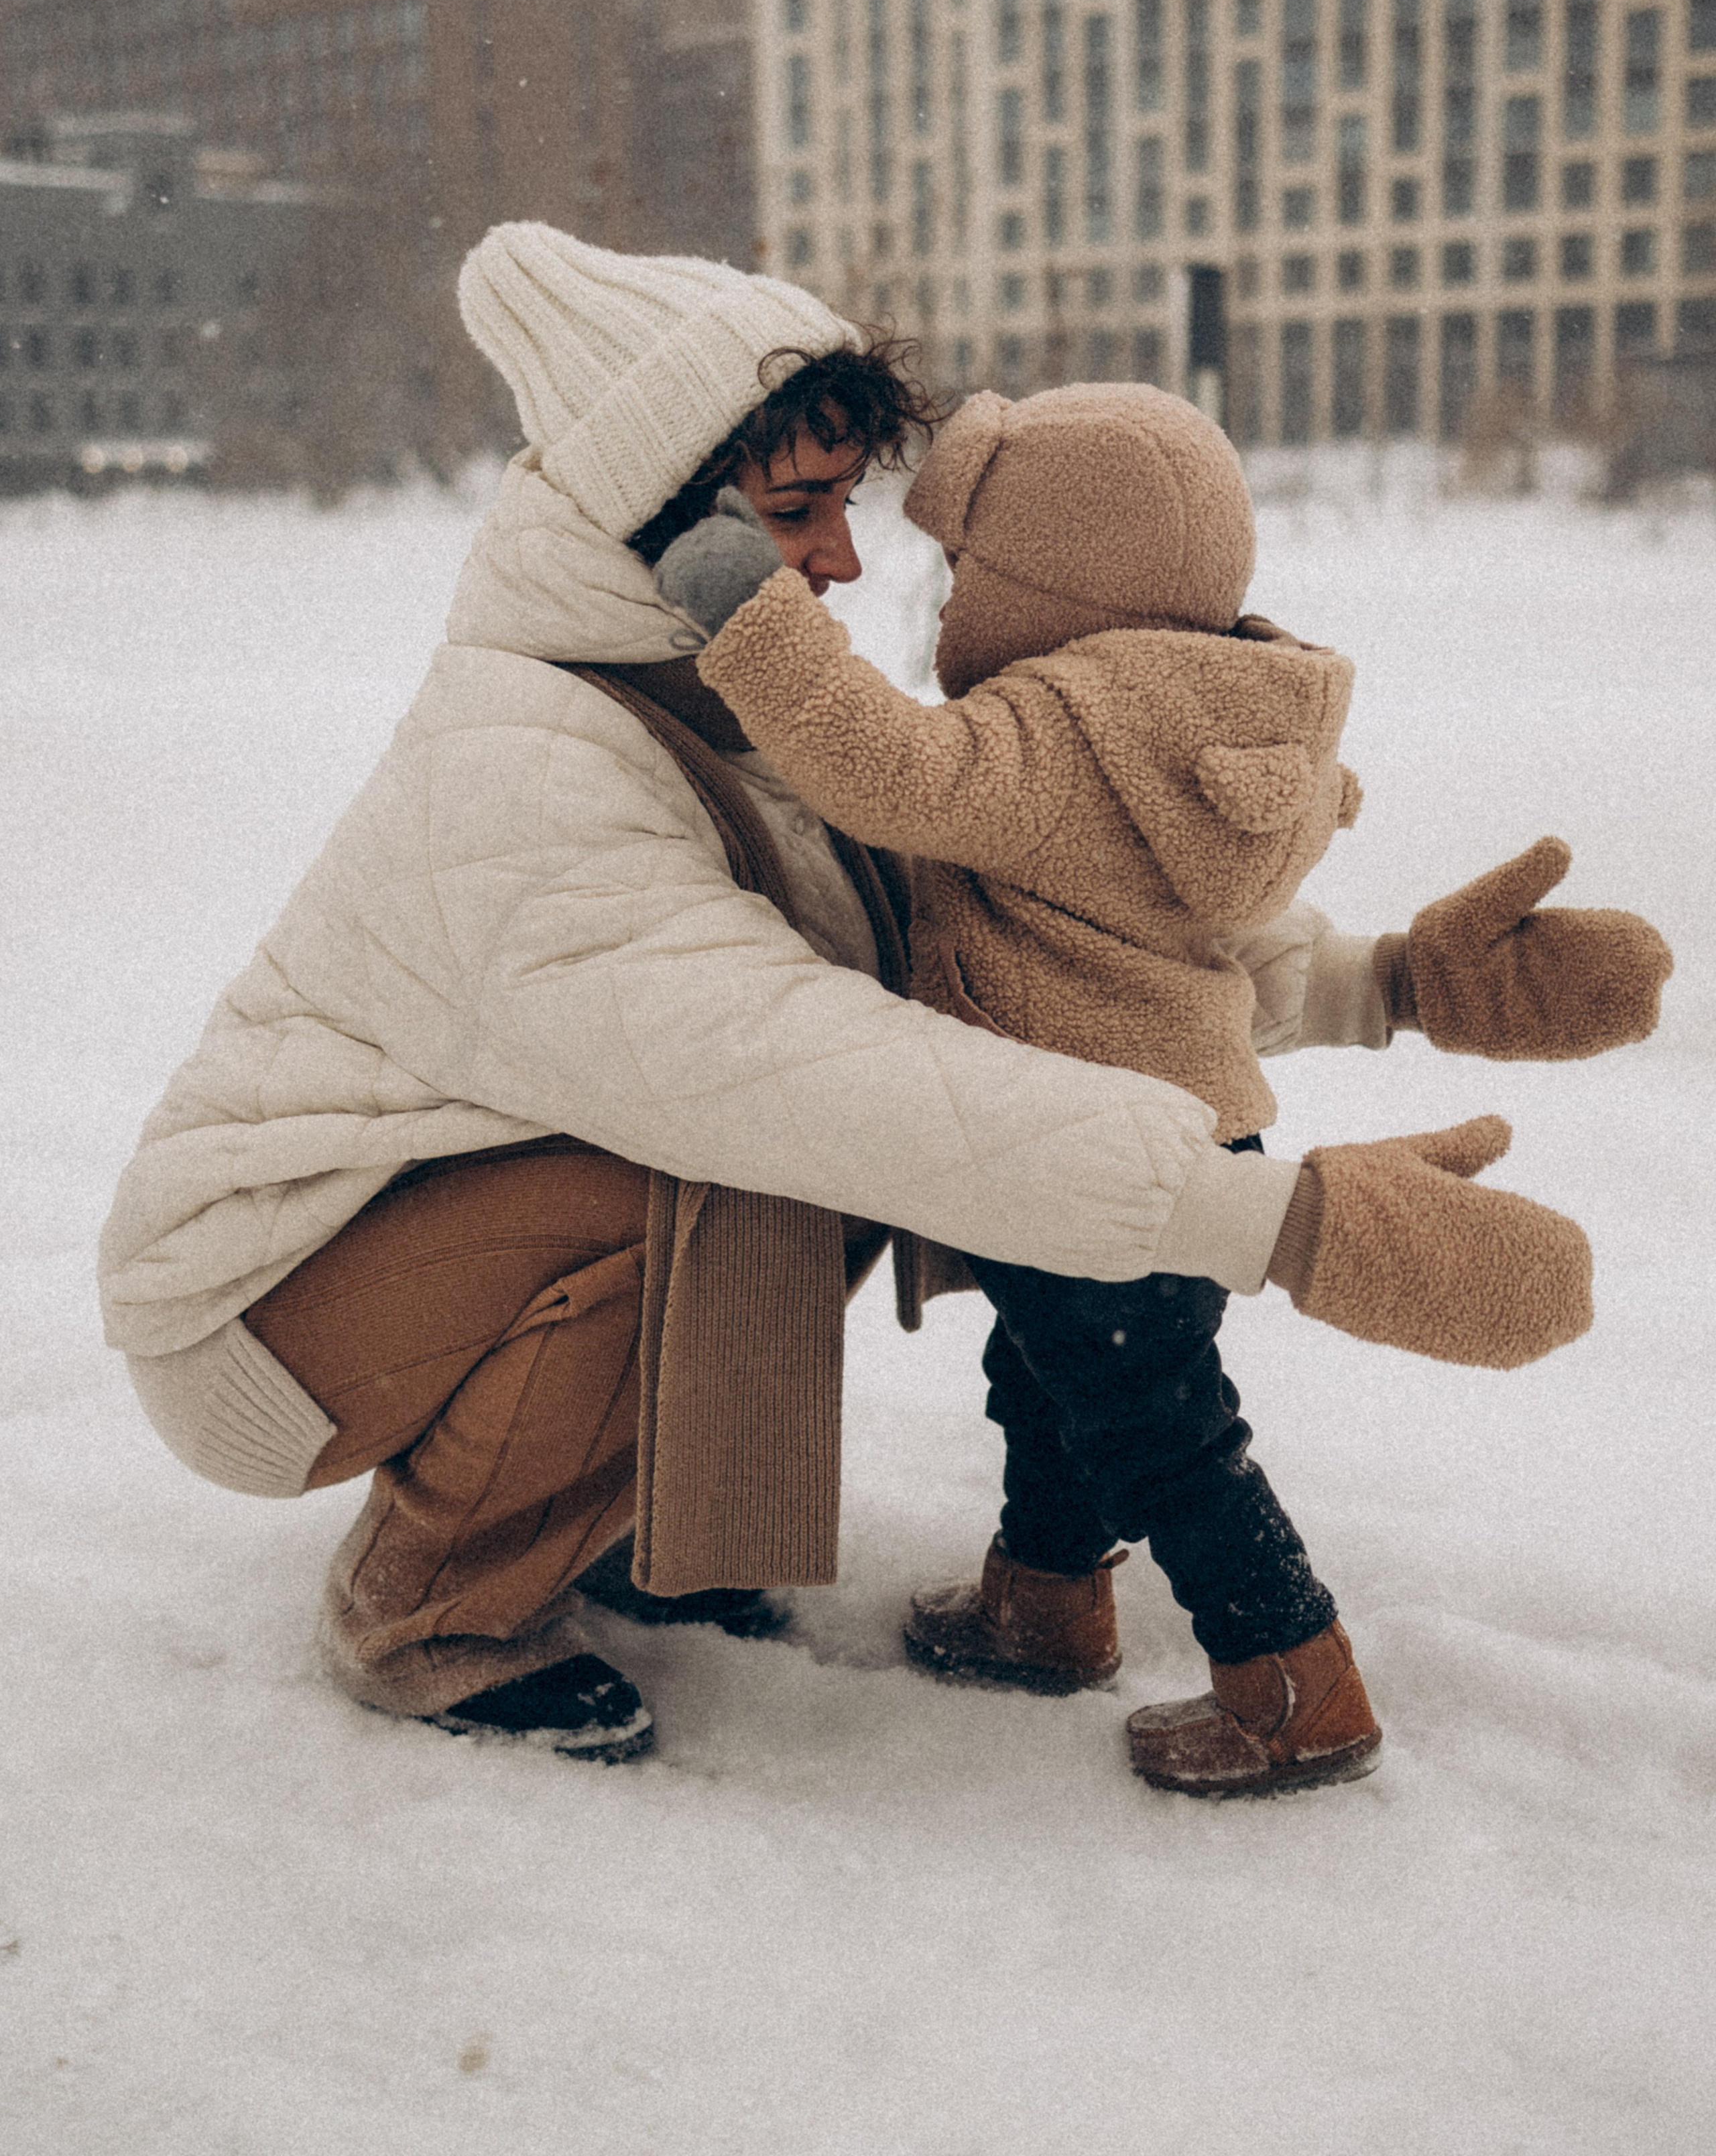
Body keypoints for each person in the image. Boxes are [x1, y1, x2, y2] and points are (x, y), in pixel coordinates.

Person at [99, 225, 1669, 1771]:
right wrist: (1268, 1227)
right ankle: (429, 1610)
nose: (845, 564)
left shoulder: (723, 702)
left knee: (764, 1160)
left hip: (434, 1219)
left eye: (844, 507)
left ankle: (629, 1523)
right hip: (260, 1308)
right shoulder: (521, 766)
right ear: (657, 527)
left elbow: (1018, 968)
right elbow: (819, 1074)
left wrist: (1379, 986)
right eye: (796, 512)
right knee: (732, 1152)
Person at [654, 377, 1666, 1795]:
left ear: (1053, 585)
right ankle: (1044, 1600)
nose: (939, 612)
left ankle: (1291, 1683)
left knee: (1157, 1433)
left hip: (1087, 1152)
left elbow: (887, 771)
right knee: (1064, 1384)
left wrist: (737, 599)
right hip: (1188, 1130)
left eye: (961, 576)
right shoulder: (1198, 720)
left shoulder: (1060, 729)